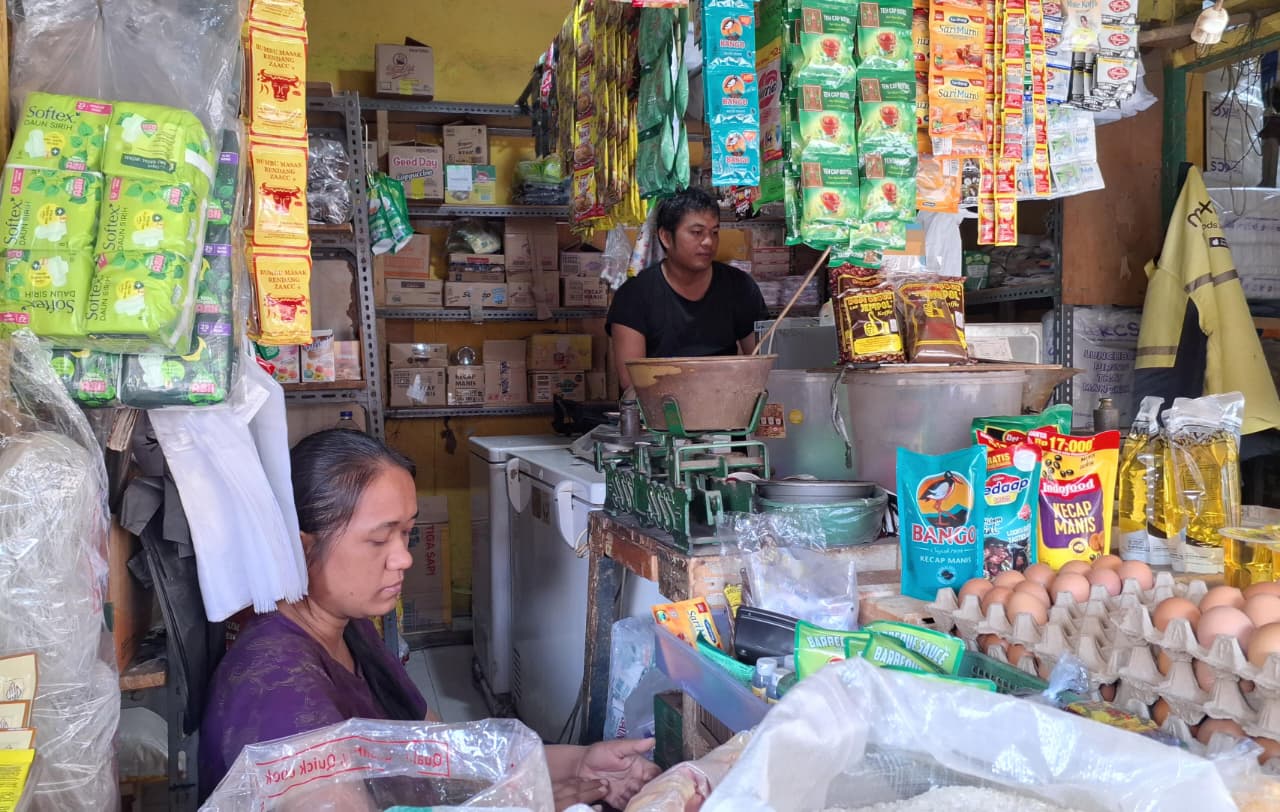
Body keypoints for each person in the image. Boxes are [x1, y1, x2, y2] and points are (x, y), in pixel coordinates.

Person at [198, 429, 659, 809]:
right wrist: (521, 803)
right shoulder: (276, 688)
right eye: (380, 541)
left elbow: (438, 749)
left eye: (407, 534)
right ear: (300, 549)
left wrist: (578, 763)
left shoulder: (349, 626)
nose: (403, 559)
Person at [606, 187, 770, 393]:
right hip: (659, 413)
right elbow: (632, 382)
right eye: (696, 232)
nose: (708, 241)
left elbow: (761, 364)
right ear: (666, 237)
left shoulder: (740, 286)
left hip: (728, 406)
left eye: (714, 232)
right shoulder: (634, 296)